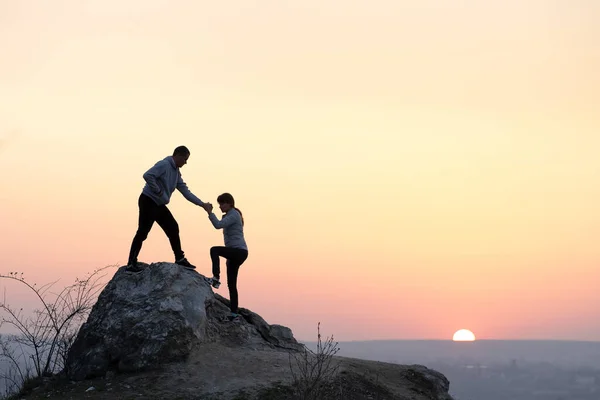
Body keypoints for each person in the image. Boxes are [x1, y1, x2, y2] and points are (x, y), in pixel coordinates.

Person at [126, 145, 205, 273]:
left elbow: (186, 192)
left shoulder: (176, 173)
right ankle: (131, 263)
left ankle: (179, 258)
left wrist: (202, 204)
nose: (186, 162)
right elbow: (147, 175)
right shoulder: (164, 164)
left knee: (173, 227)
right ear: (178, 155)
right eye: (185, 159)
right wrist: (158, 191)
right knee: (143, 232)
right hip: (148, 200)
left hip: (159, 204)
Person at [202, 193, 248, 321]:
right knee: (231, 285)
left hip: (238, 251)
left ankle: (215, 278)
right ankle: (234, 314)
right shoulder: (230, 215)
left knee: (214, 250)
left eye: (222, 204)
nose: (220, 206)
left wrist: (209, 212)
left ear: (230, 203)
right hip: (237, 253)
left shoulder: (233, 215)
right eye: (219, 204)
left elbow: (217, 225)